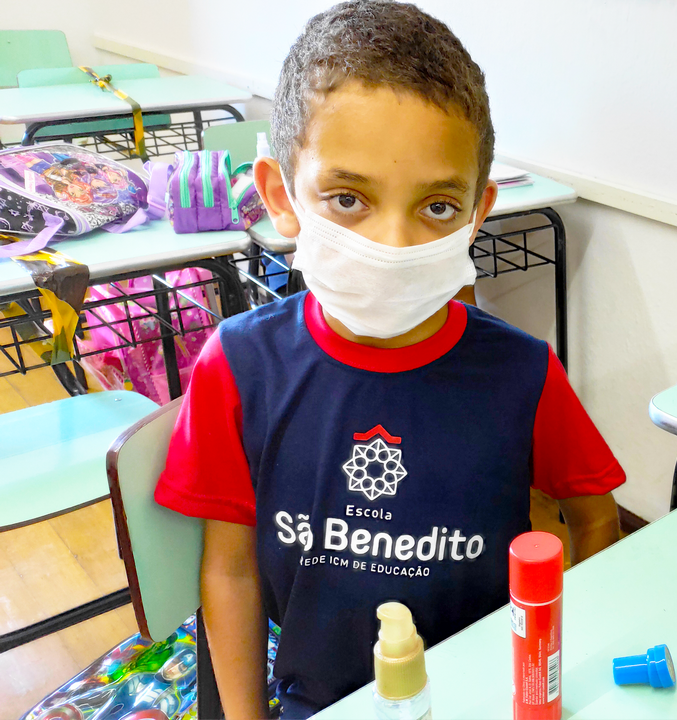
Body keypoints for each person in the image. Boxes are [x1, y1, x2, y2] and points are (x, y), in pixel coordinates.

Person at [154, 2, 625, 716]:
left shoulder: (522, 374)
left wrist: (554, 670)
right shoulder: (241, 366)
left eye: (437, 207)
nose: (394, 245)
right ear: (282, 196)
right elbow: (230, 570)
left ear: (476, 213)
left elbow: (596, 520)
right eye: (348, 198)